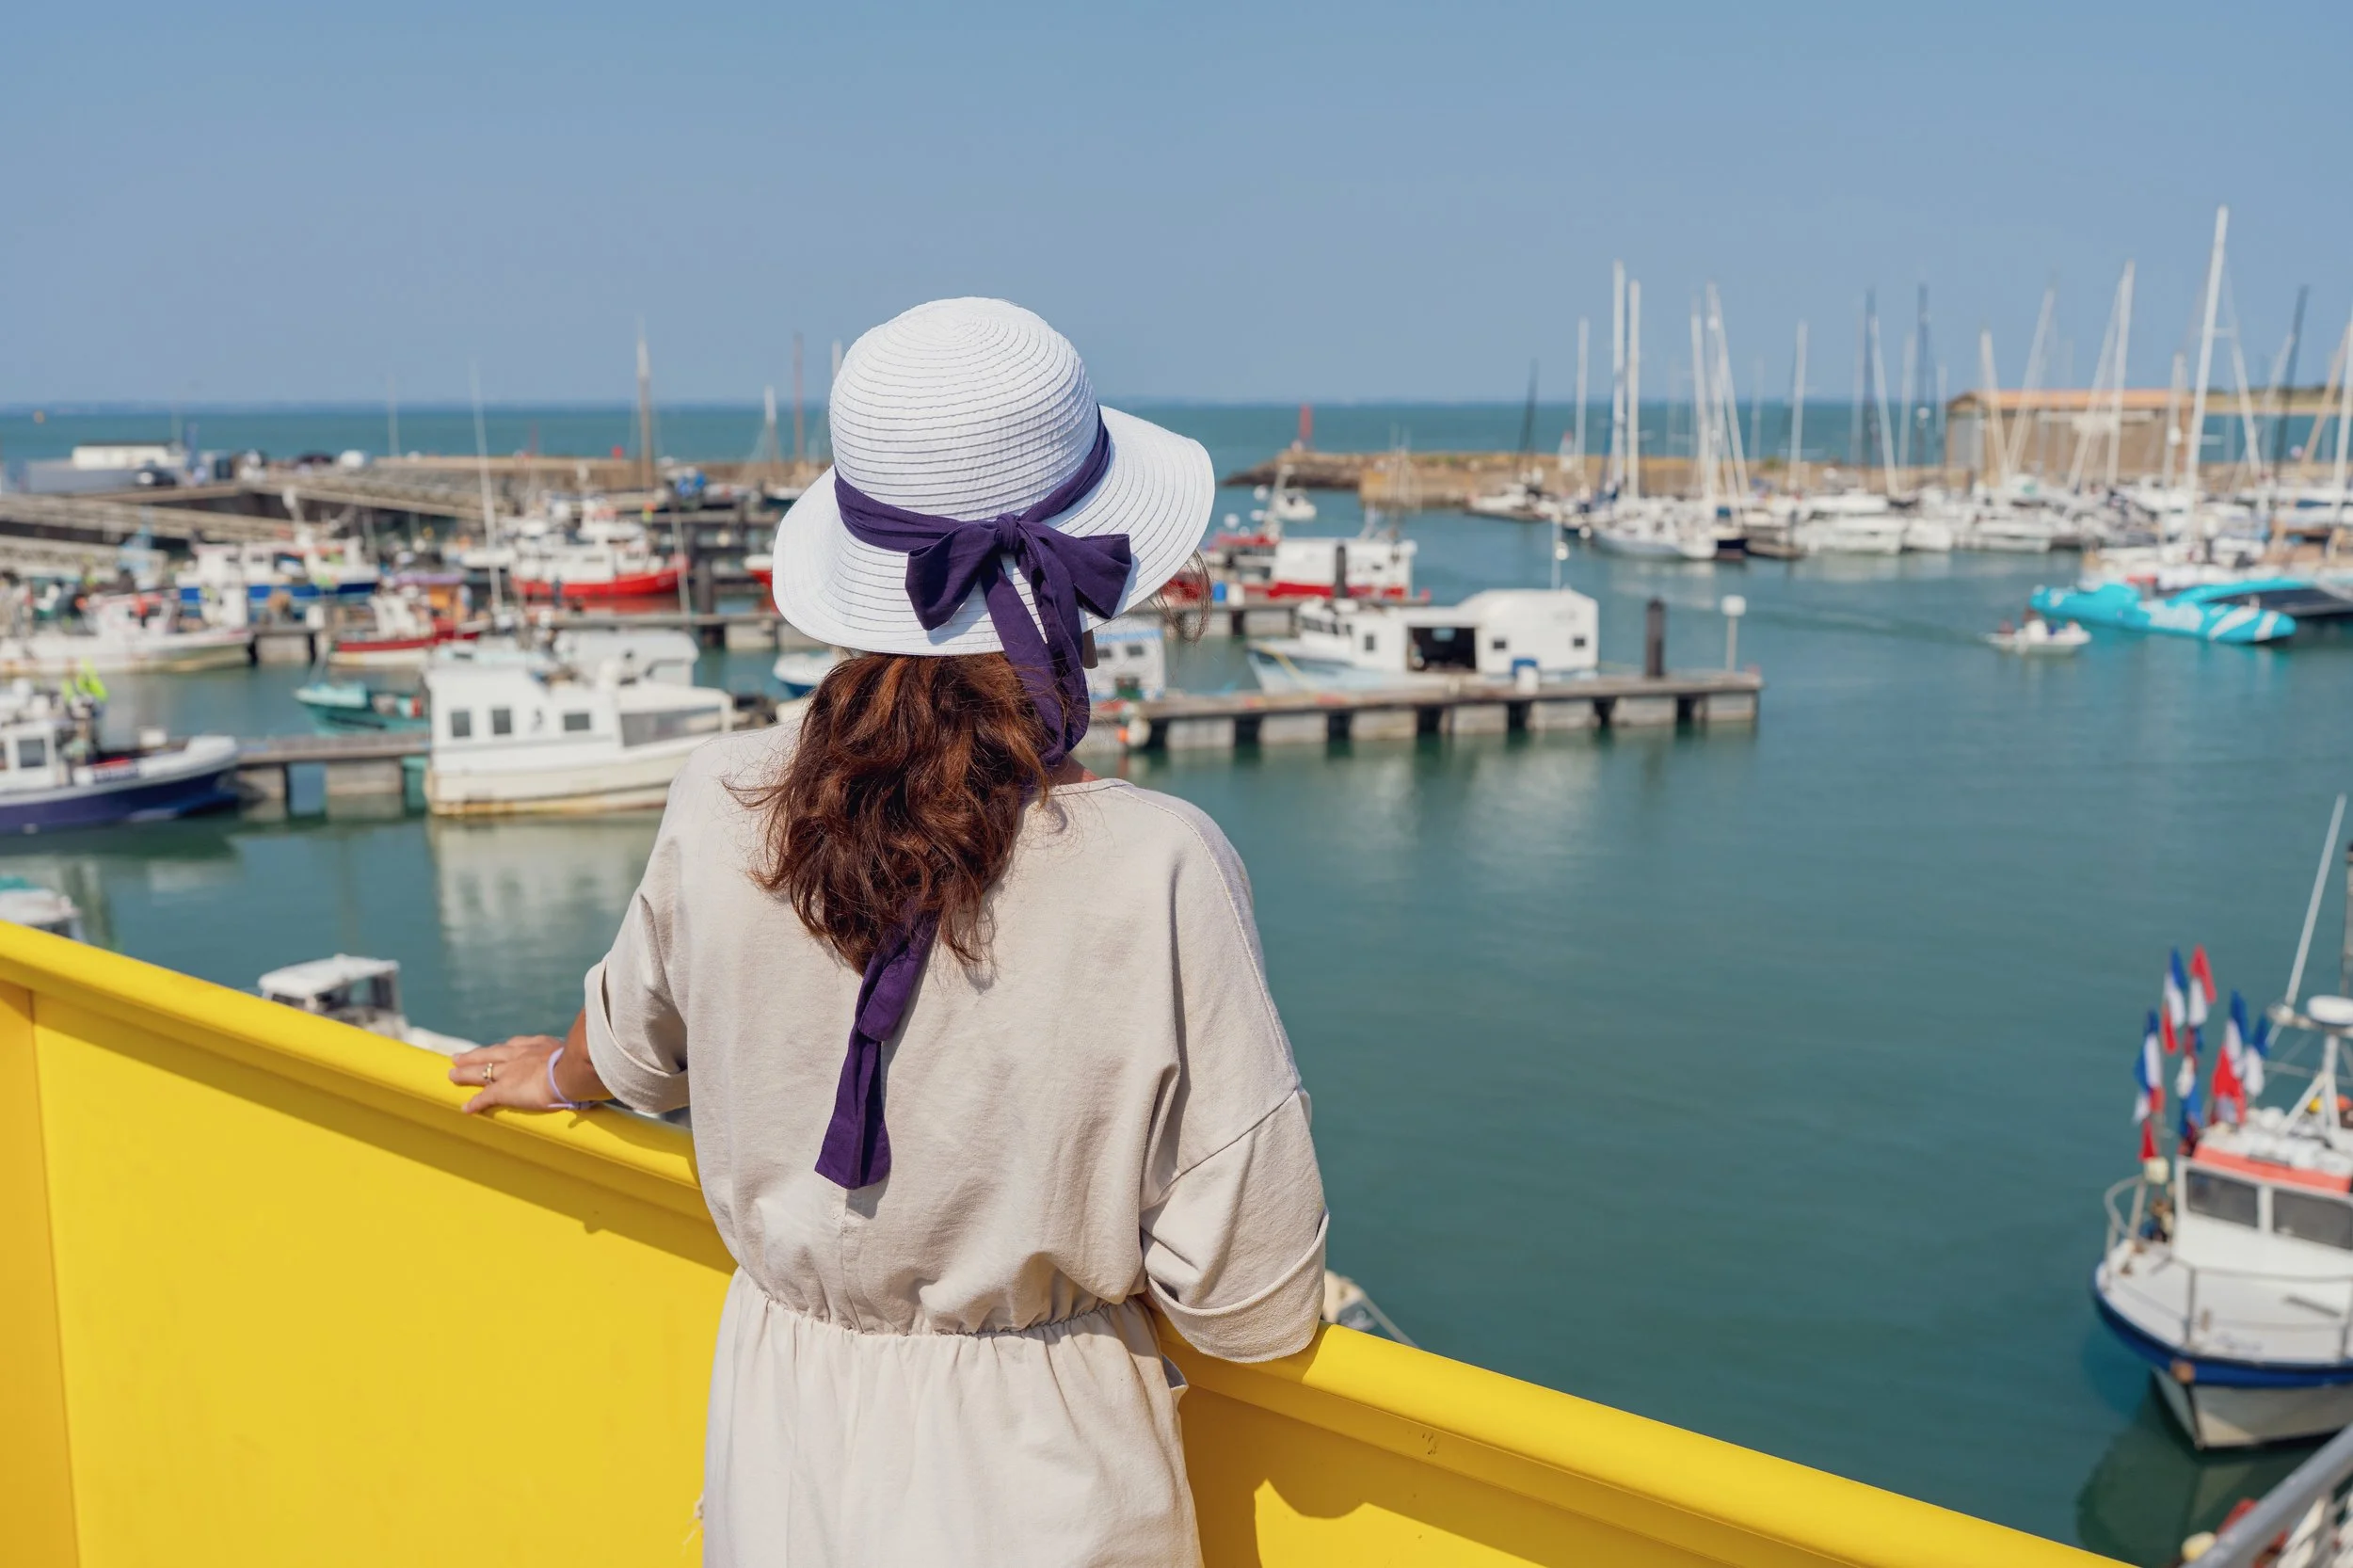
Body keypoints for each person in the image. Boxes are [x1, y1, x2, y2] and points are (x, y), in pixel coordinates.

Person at [451, 298, 1329, 1568]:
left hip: (780, 1453)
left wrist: (557, 1070)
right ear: (1087, 575)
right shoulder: (1159, 866)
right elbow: (1252, 1297)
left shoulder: (719, 799)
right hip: (1041, 1480)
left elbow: (633, 1048)